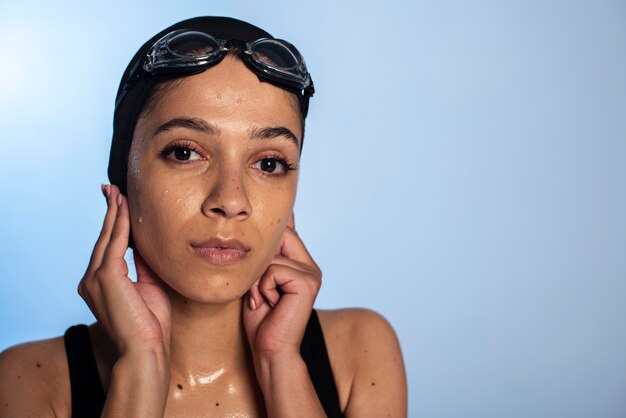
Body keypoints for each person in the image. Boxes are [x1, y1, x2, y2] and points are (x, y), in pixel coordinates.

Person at [0, 16, 407, 417]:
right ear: (123, 174)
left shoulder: (360, 352)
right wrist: (141, 366)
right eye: (184, 153)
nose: (230, 201)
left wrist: (280, 365)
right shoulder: (28, 382)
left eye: (268, 164)